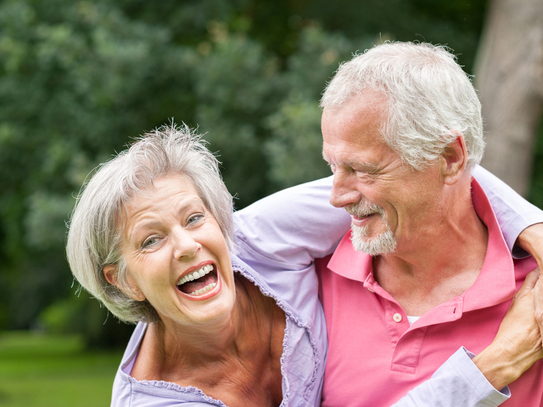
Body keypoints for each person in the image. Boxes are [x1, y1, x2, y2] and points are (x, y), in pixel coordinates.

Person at [67, 124, 541, 407]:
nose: (188, 246)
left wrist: (536, 235)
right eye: (151, 240)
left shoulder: (257, 239)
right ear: (124, 280)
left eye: (195, 218)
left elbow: (424, 172)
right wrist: (493, 366)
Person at [233, 42, 543, 406]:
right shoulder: (302, 278)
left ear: (450, 158)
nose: (335, 198)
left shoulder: (533, 298)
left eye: (361, 169)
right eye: (332, 167)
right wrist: (491, 368)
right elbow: (227, 235)